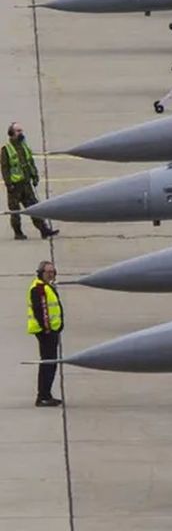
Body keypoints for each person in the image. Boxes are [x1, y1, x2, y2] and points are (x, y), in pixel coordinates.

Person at [4, 122, 58, 240]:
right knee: (15, 211)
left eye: (21, 130)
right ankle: (18, 233)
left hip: (26, 184)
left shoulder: (24, 146)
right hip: (15, 186)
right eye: (18, 131)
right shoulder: (6, 149)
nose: (21, 133)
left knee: (34, 207)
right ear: (11, 133)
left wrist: (35, 176)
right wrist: (9, 184)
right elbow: (5, 168)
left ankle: (44, 230)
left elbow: (30, 162)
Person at [28, 260, 63, 407]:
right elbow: (41, 311)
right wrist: (48, 328)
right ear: (41, 273)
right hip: (46, 333)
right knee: (48, 364)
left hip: (51, 331)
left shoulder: (47, 286)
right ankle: (43, 396)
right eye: (48, 272)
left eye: (53, 272)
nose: (51, 274)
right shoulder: (39, 288)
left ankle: (46, 394)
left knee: (50, 363)